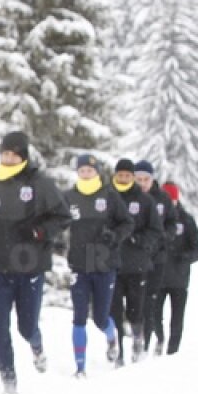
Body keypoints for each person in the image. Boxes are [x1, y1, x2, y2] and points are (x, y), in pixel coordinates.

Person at [0, 131, 70, 394]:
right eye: (5, 153)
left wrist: (40, 231)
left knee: (26, 327)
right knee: (0, 328)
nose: (9, 158)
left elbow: (62, 216)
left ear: (23, 156)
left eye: (14, 154)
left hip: (29, 268)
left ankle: (37, 345)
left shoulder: (39, 184)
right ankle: (8, 382)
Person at [62, 154, 133, 376]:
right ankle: (80, 367)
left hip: (104, 264)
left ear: (97, 173)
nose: (86, 174)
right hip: (79, 265)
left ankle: (112, 339)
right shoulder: (69, 197)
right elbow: (57, 221)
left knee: (101, 318)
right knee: (79, 317)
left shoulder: (109, 196)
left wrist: (114, 235)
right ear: (77, 173)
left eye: (89, 171)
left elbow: (127, 223)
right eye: (82, 171)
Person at [109, 158, 163, 364]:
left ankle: (138, 340)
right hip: (111, 264)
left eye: (127, 176)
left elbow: (156, 230)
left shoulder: (144, 200)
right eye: (120, 175)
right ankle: (118, 350)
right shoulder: (107, 197)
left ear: (133, 178)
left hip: (137, 264)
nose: (123, 179)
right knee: (113, 310)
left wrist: (140, 240)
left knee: (135, 309)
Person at [135, 160, 177, 355]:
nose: (142, 183)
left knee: (151, 302)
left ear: (152, 179)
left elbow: (172, 223)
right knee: (135, 302)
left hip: (156, 258)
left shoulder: (163, 199)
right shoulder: (128, 198)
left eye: (146, 179)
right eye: (139, 179)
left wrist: (163, 238)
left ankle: (148, 341)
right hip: (133, 258)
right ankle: (136, 339)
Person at [158, 182, 198, 354]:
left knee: (176, 319)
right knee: (155, 317)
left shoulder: (186, 219)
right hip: (157, 277)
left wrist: (184, 258)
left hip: (179, 279)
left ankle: (173, 351)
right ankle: (159, 344)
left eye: (172, 199)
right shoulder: (154, 218)